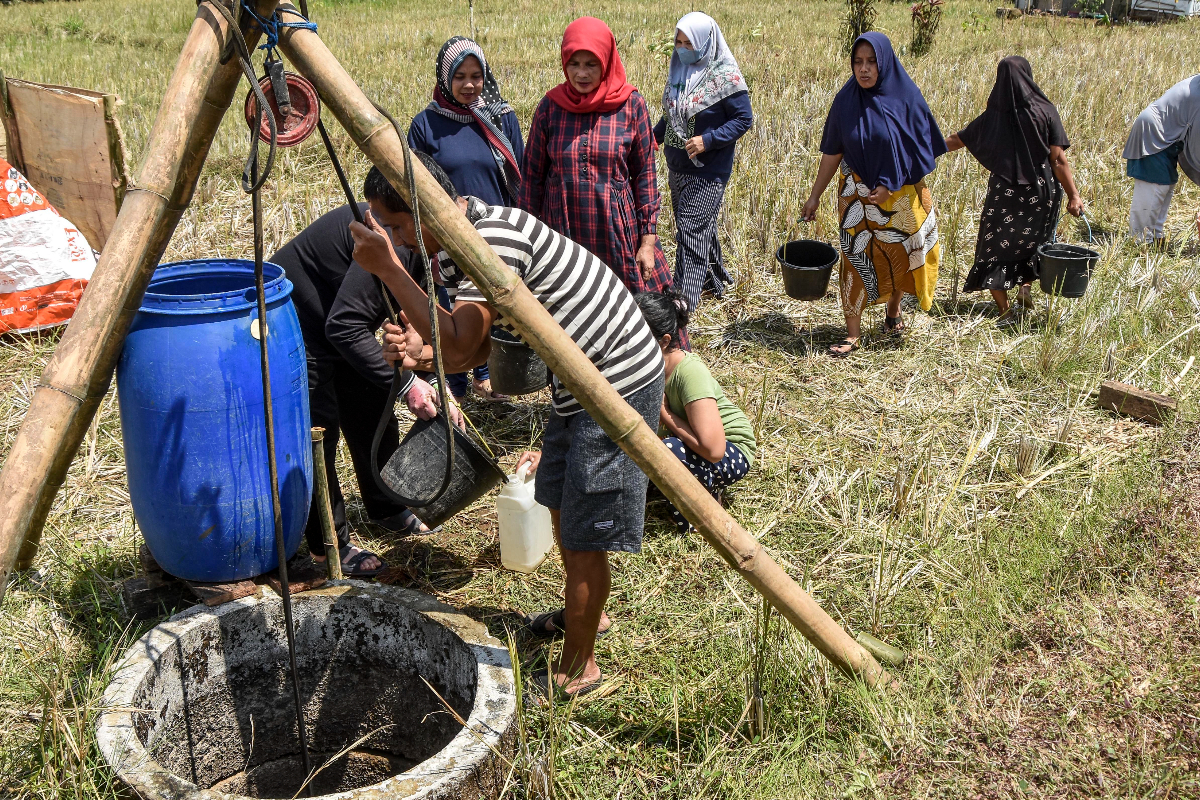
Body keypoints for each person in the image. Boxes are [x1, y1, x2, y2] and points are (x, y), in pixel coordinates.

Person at [349, 157, 664, 700]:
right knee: (562, 501)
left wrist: (388, 271)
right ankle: (584, 613)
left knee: (587, 527)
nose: (396, 240)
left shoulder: (484, 240)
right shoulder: (453, 244)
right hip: (577, 381)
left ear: (428, 210)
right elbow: (470, 343)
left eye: (398, 227)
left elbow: (464, 347)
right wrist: (422, 354)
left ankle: (579, 669)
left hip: (613, 378)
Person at [270, 174, 456, 577]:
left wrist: (431, 376)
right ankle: (327, 545)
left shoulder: (427, 248)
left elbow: (410, 314)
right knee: (321, 432)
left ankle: (386, 505)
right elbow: (343, 326)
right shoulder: (398, 244)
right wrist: (409, 383)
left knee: (374, 401)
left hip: (338, 318)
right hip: (296, 318)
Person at [800, 32, 945, 357]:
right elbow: (832, 152)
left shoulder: (906, 97)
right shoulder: (846, 100)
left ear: (885, 63)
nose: (863, 69)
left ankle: (893, 311)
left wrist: (892, 184)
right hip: (857, 198)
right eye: (857, 62)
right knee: (857, 260)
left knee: (904, 255)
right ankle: (852, 334)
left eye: (871, 62)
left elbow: (921, 148)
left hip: (903, 195)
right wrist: (815, 196)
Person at [518, 16, 673, 295]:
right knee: (570, 310)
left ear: (606, 61)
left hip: (615, 232)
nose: (581, 74)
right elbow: (531, 180)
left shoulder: (630, 105)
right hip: (564, 232)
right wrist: (526, 240)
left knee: (630, 310)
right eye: (573, 64)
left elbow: (645, 176)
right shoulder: (550, 108)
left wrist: (647, 242)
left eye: (591, 64)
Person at [409, 36, 526, 401]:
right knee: (450, 306)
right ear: (446, 78)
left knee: (492, 304)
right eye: (460, 76)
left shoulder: (500, 117)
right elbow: (416, 183)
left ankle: (488, 375)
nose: (469, 85)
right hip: (446, 234)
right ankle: (454, 386)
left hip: (496, 229)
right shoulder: (426, 125)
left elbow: (520, 175)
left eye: (476, 75)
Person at [944, 56, 1084, 323]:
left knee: (994, 248)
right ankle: (1025, 288)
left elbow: (958, 139)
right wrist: (1074, 195)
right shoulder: (1046, 110)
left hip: (1004, 194)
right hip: (1041, 193)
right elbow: (1058, 159)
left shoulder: (994, 116)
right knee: (1034, 243)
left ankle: (1005, 311)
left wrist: (924, 150)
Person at [653, 12, 752, 312]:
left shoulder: (725, 76)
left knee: (690, 229)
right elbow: (671, 118)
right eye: (678, 42)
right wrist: (649, 139)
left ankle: (684, 303)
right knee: (698, 226)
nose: (683, 49)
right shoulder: (678, 73)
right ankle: (713, 280)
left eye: (689, 43)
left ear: (707, 43)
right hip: (676, 165)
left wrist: (707, 141)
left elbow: (743, 119)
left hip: (709, 170)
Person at [635, 290, 755, 531]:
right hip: (688, 444)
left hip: (731, 450)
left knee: (668, 451)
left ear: (664, 341)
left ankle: (702, 515)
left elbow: (714, 450)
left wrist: (665, 414)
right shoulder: (643, 368)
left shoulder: (689, 373)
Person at [1122, 74, 1200, 246]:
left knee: (1166, 185)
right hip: (1154, 132)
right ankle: (1140, 243)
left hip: (1169, 138)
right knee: (1154, 187)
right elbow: (1197, 148)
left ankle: (1156, 238)